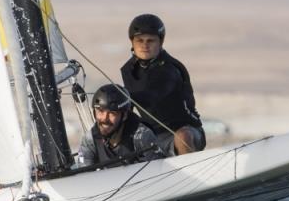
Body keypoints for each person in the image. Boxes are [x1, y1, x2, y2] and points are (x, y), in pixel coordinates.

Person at [120, 14, 205, 156]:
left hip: (185, 131)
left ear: (161, 42)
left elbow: (154, 94)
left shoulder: (170, 69)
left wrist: (124, 95)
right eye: (139, 40)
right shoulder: (127, 70)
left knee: (183, 136)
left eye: (150, 41)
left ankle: (191, 175)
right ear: (132, 42)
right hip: (151, 135)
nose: (144, 45)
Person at [77, 84, 164, 166]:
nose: (104, 118)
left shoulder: (142, 136)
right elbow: (83, 176)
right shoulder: (90, 140)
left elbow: (158, 171)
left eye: (112, 113)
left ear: (124, 115)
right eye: (100, 111)